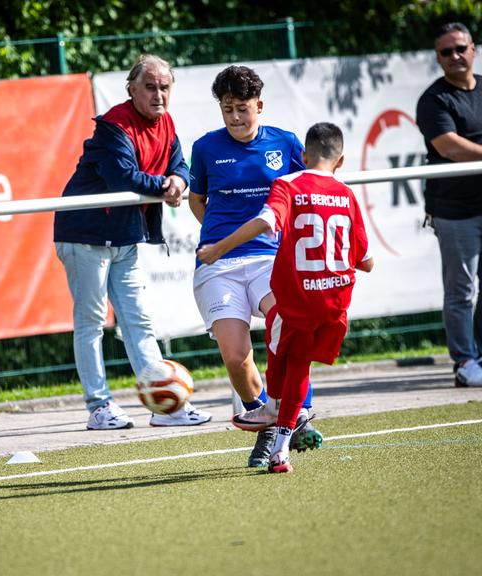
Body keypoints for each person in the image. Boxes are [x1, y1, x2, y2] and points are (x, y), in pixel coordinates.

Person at [198, 122, 374, 473]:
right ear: (340, 161)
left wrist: (219, 248)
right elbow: (366, 261)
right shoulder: (346, 194)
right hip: (335, 305)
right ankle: (281, 445)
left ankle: (274, 414)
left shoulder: (289, 184)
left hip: (298, 298)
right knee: (299, 365)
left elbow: (266, 222)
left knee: (282, 356)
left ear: (303, 156)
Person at [54, 54, 212, 430]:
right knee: (91, 322)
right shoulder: (113, 127)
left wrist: (177, 179)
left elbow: (180, 164)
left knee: (139, 320)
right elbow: (122, 176)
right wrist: (165, 184)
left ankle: (165, 406)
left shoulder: (167, 122)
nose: (159, 94)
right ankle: (99, 406)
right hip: (84, 235)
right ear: (132, 90)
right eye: (150, 87)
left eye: (165, 87)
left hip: (124, 237)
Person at [188, 65, 321, 467]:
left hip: (271, 259)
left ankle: (295, 416)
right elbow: (198, 201)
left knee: (288, 324)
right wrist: (224, 239)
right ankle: (268, 423)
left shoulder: (285, 142)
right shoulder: (206, 147)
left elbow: (309, 189)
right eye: (227, 109)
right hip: (219, 263)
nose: (234, 117)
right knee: (235, 357)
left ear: (259, 105)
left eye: (242, 108)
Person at [416, 22, 482, 387]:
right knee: (461, 289)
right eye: (447, 51)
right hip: (455, 209)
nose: (455, 56)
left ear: (473, 49)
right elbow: (449, 147)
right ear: (438, 58)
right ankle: (465, 361)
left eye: (461, 48)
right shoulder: (433, 100)